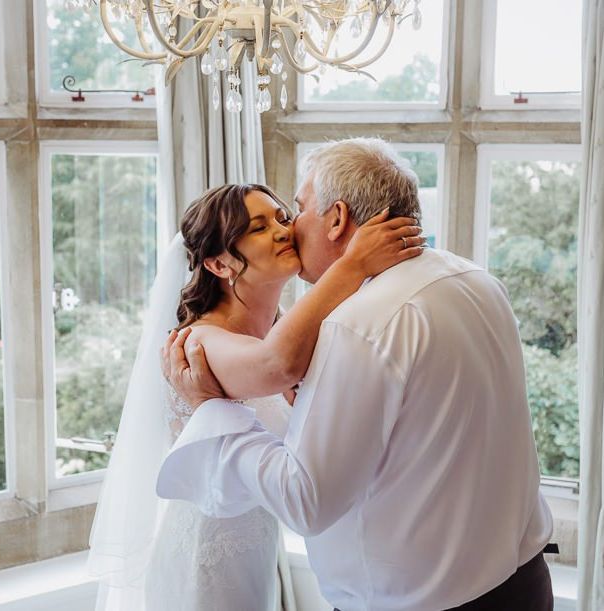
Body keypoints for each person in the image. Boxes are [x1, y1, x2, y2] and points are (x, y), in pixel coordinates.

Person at [158, 137, 555, 611]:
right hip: (523, 582)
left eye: (296, 210)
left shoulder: (357, 325)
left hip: (420, 601)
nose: (289, 228)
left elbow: (305, 500)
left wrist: (211, 413)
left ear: (338, 218)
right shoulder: (475, 280)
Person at [87, 181, 423, 610]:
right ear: (220, 264)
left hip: (258, 548)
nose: (283, 231)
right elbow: (273, 366)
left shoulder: (284, 330)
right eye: (258, 228)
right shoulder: (199, 342)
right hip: (205, 562)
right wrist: (353, 262)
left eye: (283, 217)